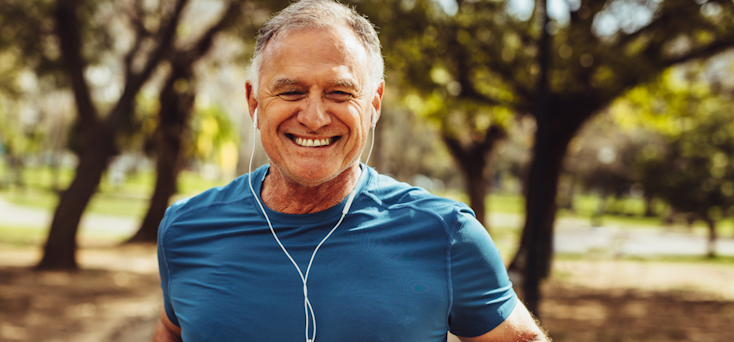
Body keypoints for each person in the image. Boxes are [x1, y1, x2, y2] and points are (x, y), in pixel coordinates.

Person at [154, 0, 548, 341]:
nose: (313, 116)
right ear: (253, 100)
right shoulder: (185, 228)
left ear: (374, 103)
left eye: (339, 93)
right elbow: (173, 331)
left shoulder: (446, 235)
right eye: (291, 91)